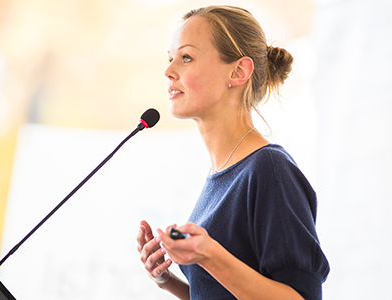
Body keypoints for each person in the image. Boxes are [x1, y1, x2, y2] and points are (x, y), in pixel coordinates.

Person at [136, 5, 329, 300]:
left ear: (238, 72)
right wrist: (167, 281)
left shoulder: (269, 170)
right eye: (170, 58)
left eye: (186, 57)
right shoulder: (221, 174)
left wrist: (209, 255)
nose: (168, 70)